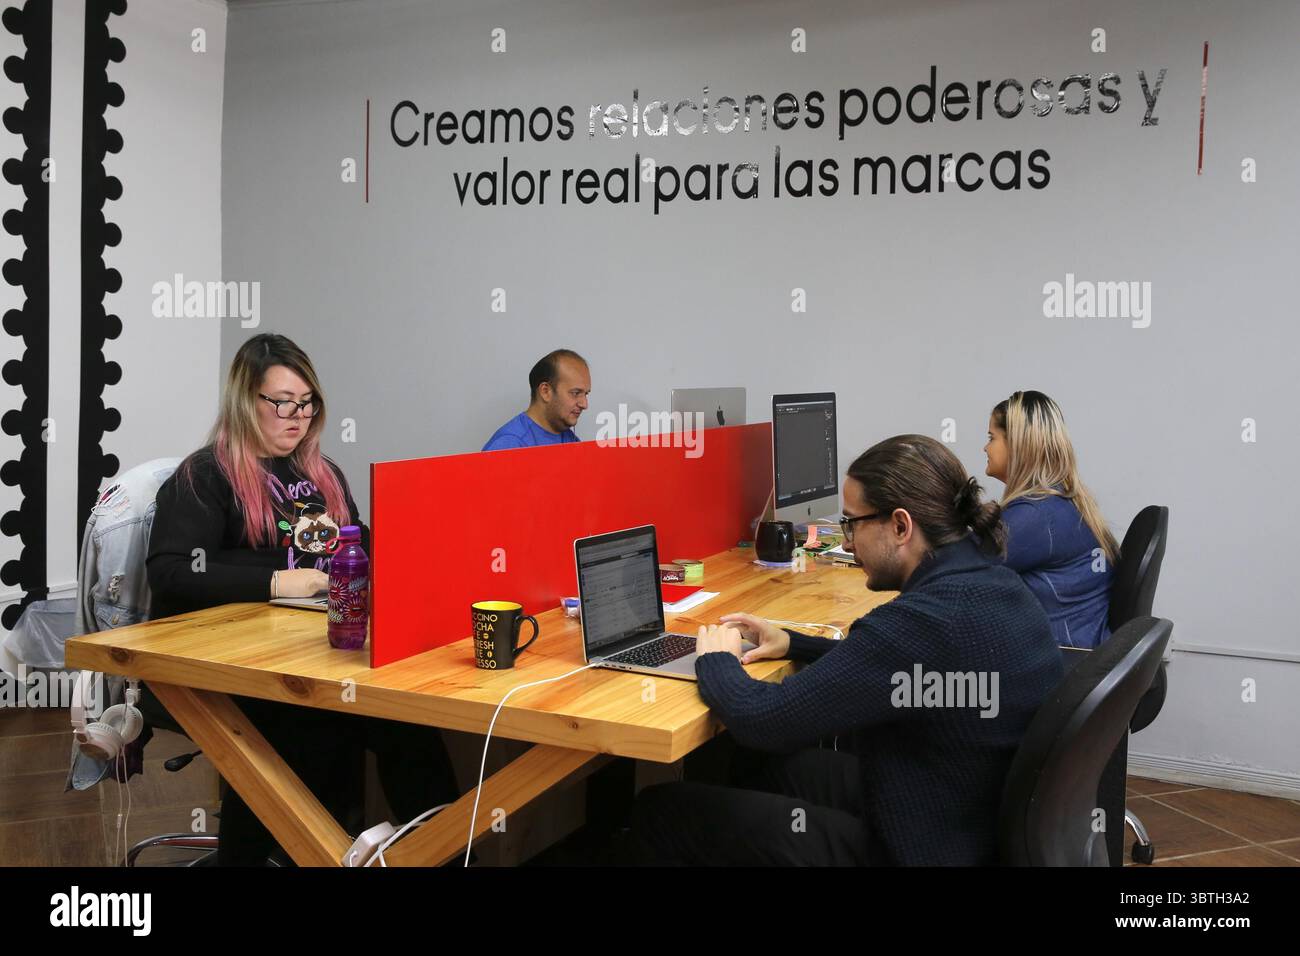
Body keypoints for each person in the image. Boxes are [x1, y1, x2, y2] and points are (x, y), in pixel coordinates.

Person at [627, 435, 1062, 866]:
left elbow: (765, 720)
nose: (848, 542)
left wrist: (716, 659)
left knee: (662, 810)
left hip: (912, 845)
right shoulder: (994, 582)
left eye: (852, 523)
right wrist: (793, 642)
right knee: (754, 766)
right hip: (959, 816)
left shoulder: (922, 621)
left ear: (900, 526)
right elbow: (883, 664)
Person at [147, 333, 459, 865]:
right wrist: (275, 581)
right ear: (248, 402)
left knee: (410, 727)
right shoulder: (205, 476)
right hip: (228, 663)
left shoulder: (322, 474)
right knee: (306, 736)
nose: (298, 417)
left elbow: (359, 543)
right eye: (283, 403)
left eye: (308, 403)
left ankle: (437, 854)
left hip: (313, 651)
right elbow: (172, 572)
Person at [984, 390, 1118, 649]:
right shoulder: (1061, 502)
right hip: (1079, 651)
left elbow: (956, 569)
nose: (985, 447)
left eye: (992, 437)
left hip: (1062, 661)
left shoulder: (1038, 514)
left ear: (1018, 445)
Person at [482, 349, 590, 450]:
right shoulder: (509, 444)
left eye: (585, 394)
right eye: (575, 393)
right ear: (545, 391)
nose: (584, 404)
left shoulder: (569, 439)